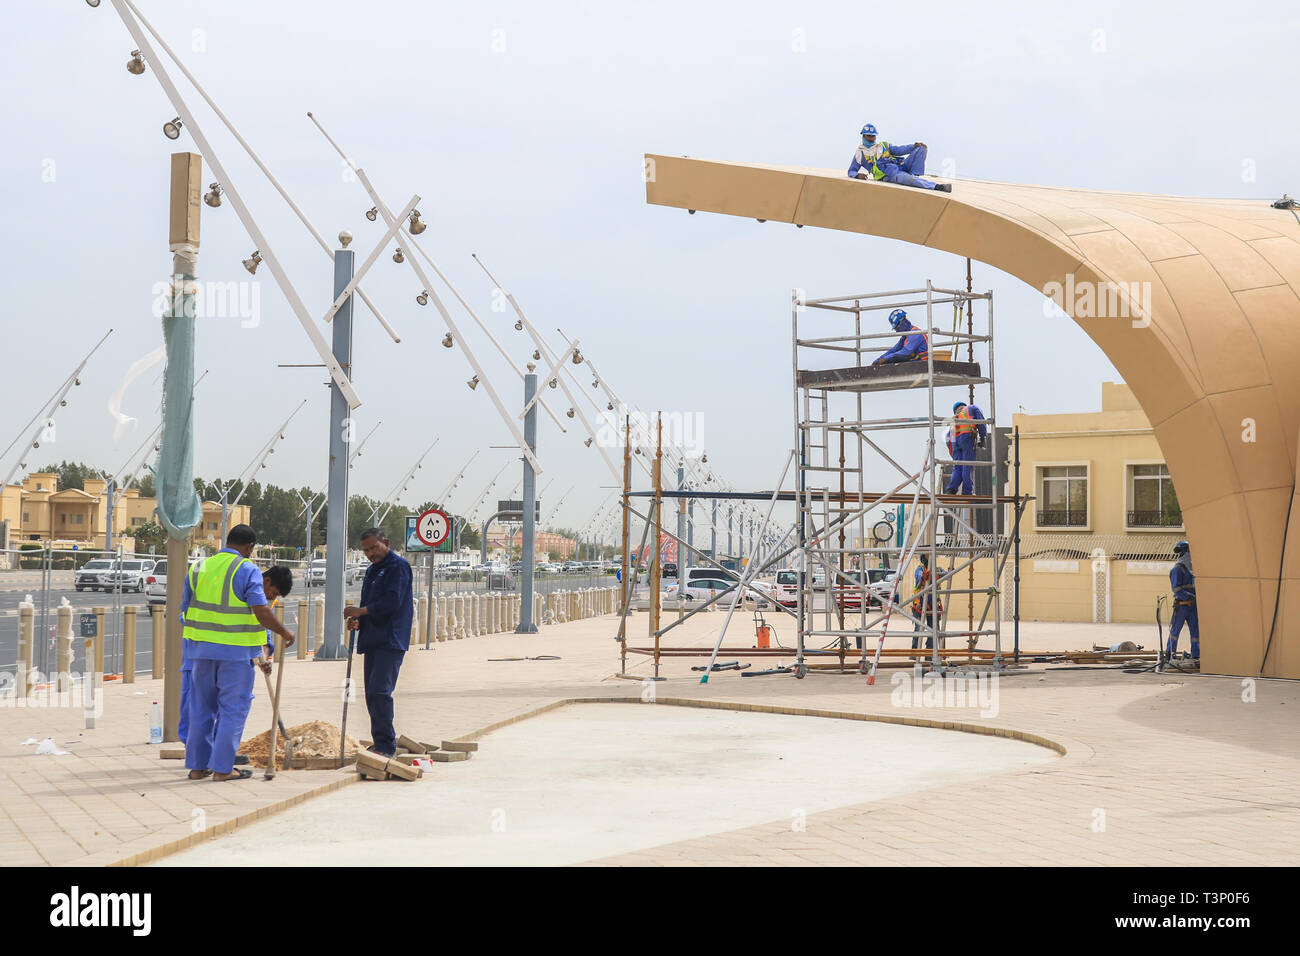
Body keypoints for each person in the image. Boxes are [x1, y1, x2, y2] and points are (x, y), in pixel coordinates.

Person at [182, 525, 295, 781]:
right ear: (249, 547)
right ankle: (223, 769)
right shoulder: (247, 570)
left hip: (200, 652)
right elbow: (260, 611)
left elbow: (184, 610)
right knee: (233, 710)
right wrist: (284, 632)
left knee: (201, 709)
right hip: (234, 656)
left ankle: (198, 768)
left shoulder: (199, 568)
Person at [343, 528, 413, 758]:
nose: (370, 553)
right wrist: (358, 620)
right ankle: (379, 742)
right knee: (372, 695)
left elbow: (391, 603)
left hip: (390, 639)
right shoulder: (373, 570)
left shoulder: (398, 567)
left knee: (380, 692)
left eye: (374, 547)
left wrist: (360, 611)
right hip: (372, 639)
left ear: (386, 542)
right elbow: (371, 607)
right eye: (366, 550)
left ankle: (386, 745)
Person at [848, 123, 952, 192]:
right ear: (863, 136)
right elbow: (851, 171)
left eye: (873, 136)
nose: (871, 138)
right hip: (889, 174)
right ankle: (936, 187)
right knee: (908, 179)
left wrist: (913, 146)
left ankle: (915, 174)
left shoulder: (883, 145)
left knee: (921, 149)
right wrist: (857, 176)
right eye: (868, 136)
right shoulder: (860, 153)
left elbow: (899, 150)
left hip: (900, 166)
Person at [945, 401, 987, 495]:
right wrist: (983, 437)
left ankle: (951, 489)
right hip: (967, 438)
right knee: (967, 465)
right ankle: (967, 491)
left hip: (955, 442)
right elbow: (981, 422)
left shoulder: (955, 419)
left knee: (957, 467)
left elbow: (948, 438)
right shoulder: (971, 408)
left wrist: (954, 454)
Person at [1167, 540, 1199, 660]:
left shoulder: (1193, 570)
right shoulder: (1177, 570)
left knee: (1196, 633)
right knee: (1175, 631)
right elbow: (1176, 589)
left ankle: (1196, 655)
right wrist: (1189, 596)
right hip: (1181, 605)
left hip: (1192, 607)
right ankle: (1170, 653)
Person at [910, 554, 942, 651]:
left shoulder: (938, 570)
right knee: (919, 628)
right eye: (928, 556)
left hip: (933, 605)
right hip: (919, 604)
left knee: (932, 629)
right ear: (923, 558)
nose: (931, 558)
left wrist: (941, 575)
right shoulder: (919, 569)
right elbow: (918, 576)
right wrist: (924, 577)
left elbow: (945, 574)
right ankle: (915, 651)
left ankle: (929, 651)